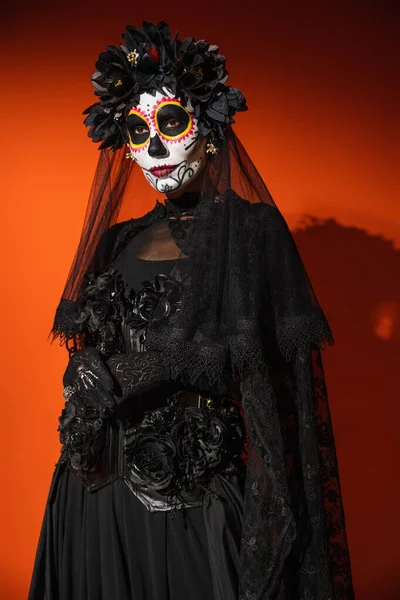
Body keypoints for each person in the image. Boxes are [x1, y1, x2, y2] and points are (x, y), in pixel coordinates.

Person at [28, 21, 354, 600]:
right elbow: (94, 342)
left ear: (206, 130)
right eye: (136, 130)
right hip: (94, 491)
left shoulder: (252, 233)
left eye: (170, 123)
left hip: (187, 492)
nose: (153, 146)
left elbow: (261, 371)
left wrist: (145, 371)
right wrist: (81, 371)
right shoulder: (116, 239)